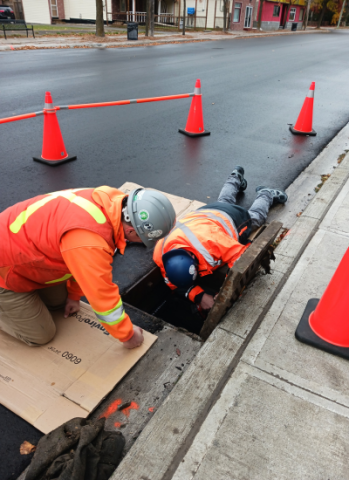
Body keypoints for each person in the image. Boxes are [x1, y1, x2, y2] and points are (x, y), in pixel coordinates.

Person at [0, 186, 176, 349]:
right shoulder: (89, 240)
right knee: (41, 335)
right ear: (131, 231)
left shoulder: (110, 201)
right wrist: (128, 335)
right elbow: (103, 298)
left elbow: (80, 262)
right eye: (143, 240)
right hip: (6, 270)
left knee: (59, 303)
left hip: (23, 249)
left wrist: (74, 294)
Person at [153, 166, 288, 312]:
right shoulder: (161, 253)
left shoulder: (213, 243)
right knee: (224, 200)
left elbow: (241, 257)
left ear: (192, 256)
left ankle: (265, 194)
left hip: (230, 218)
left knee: (255, 217)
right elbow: (174, 284)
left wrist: (225, 291)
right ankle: (234, 177)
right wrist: (200, 296)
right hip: (205, 213)